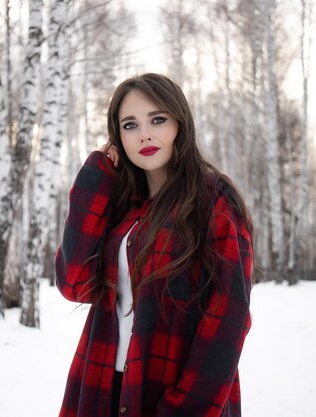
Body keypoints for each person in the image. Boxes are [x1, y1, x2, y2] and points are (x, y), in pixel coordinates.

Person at [55, 73, 254, 417]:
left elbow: (229, 315)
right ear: (118, 137)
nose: (144, 133)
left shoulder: (213, 198)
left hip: (175, 396)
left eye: (157, 119)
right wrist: (95, 175)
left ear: (180, 124)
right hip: (103, 385)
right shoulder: (122, 206)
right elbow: (74, 284)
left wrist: (184, 408)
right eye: (130, 125)